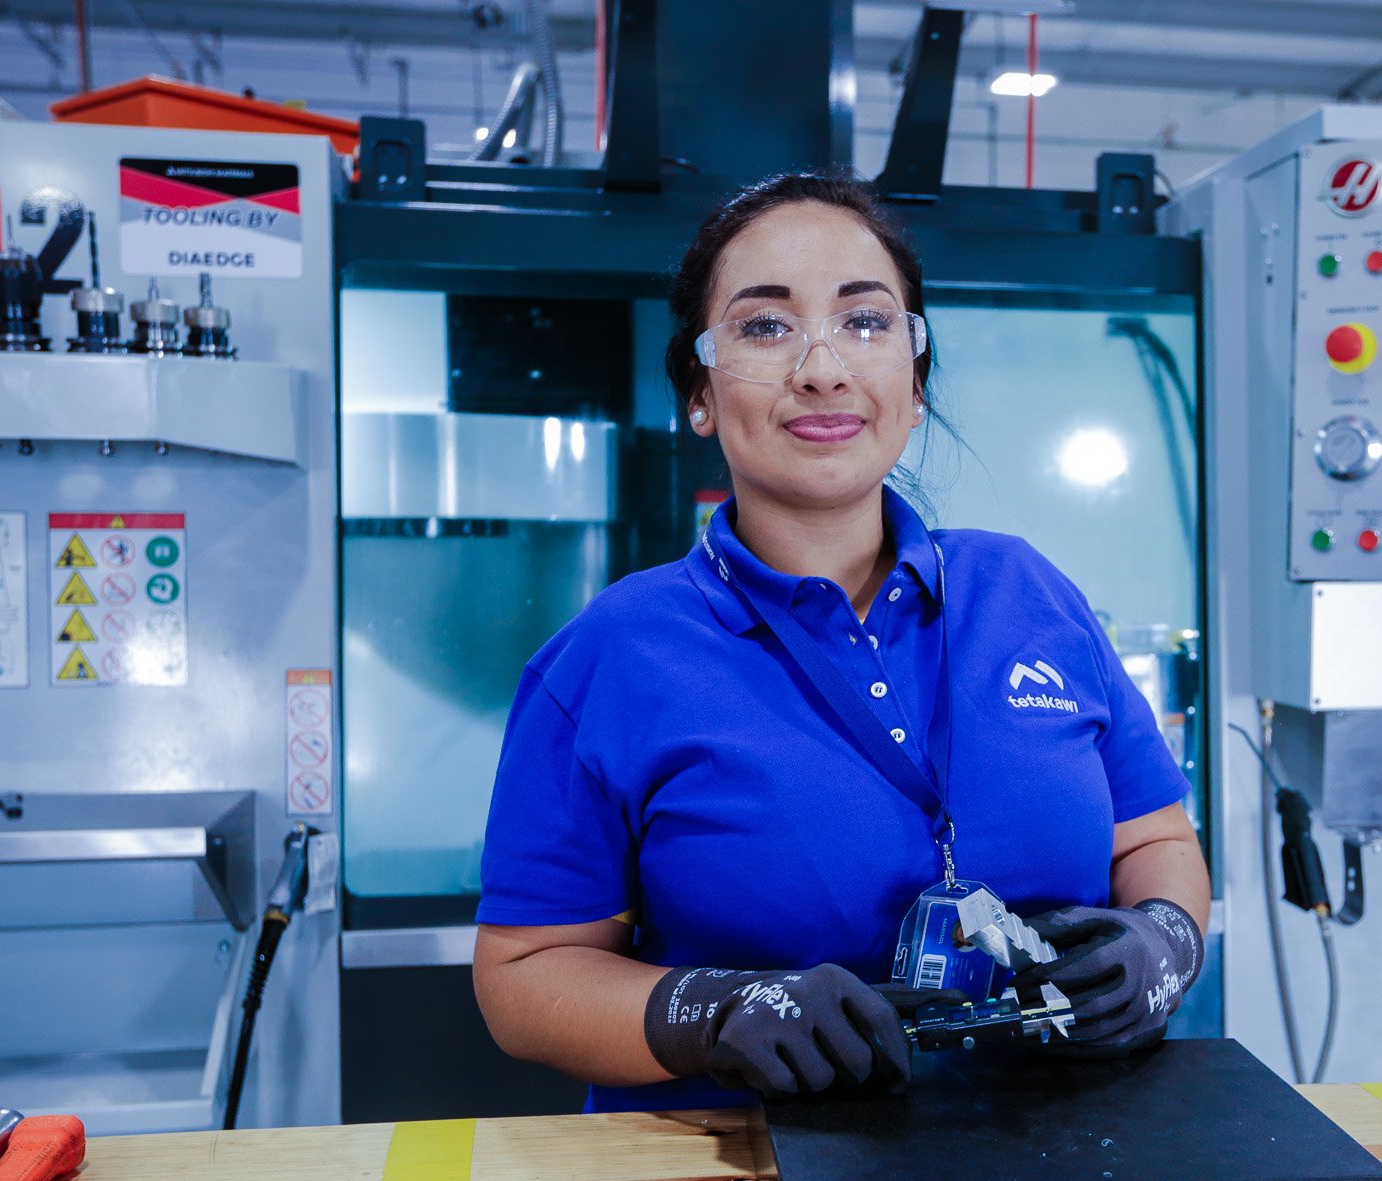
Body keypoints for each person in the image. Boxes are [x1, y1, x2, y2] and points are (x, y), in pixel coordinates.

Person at [472, 170, 1211, 1112]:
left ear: (914, 377)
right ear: (698, 394)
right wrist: (718, 1011)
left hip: (1061, 1178)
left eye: (866, 322)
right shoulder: (614, 657)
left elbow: (1157, 839)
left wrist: (1163, 941)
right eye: (765, 326)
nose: (823, 368)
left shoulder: (1029, 594)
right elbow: (523, 977)